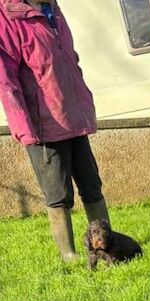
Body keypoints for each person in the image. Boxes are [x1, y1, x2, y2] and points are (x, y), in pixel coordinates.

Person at [0, 1, 109, 261]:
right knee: (58, 195)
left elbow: (69, 58)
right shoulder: (7, 17)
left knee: (92, 186)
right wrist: (22, 126)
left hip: (73, 114)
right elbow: (6, 80)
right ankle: (69, 255)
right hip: (42, 125)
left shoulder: (52, 8)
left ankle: (104, 243)